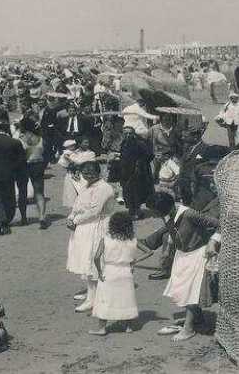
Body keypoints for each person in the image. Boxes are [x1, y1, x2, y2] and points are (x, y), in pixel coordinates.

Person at [142, 192, 219, 342]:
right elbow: (173, 232)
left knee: (191, 291)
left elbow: (219, 224)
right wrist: (167, 249)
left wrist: (213, 242)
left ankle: (188, 328)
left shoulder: (189, 214)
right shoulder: (169, 215)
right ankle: (198, 320)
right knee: (183, 290)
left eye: (156, 212)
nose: (155, 216)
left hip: (197, 255)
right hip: (182, 256)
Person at [66, 161, 118, 313]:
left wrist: (75, 221)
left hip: (98, 226)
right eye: (85, 171)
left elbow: (94, 211)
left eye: (91, 171)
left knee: (93, 261)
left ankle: (93, 299)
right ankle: (91, 292)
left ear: (98, 172)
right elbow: (77, 204)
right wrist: (71, 217)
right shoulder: (86, 185)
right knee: (85, 260)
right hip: (84, 227)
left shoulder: (104, 188)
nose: (88, 174)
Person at [90, 211, 140, 336]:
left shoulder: (106, 239)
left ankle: (102, 328)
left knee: (105, 299)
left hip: (110, 271)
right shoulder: (132, 240)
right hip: (126, 272)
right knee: (126, 298)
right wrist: (134, 262)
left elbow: (96, 257)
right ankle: (128, 326)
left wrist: (100, 272)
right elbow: (149, 252)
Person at [17, 118, 48, 228]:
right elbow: (44, 152)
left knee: (22, 192)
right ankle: (42, 217)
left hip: (24, 165)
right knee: (39, 192)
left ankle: (24, 218)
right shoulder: (40, 138)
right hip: (38, 165)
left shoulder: (21, 138)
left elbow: (19, 153)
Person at [118, 126, 154, 219]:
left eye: (130, 133)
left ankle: (137, 211)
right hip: (125, 172)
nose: (128, 135)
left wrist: (140, 163)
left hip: (138, 172)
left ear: (134, 134)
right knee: (127, 192)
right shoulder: (123, 144)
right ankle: (131, 210)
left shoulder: (139, 144)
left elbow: (149, 155)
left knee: (136, 192)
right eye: (126, 133)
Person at [150, 114, 180, 182]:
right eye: (165, 119)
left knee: (176, 166)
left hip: (172, 154)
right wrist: (155, 153)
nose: (167, 121)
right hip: (159, 154)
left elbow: (179, 144)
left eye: (170, 119)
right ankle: (155, 178)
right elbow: (151, 143)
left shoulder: (176, 129)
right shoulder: (154, 129)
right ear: (161, 120)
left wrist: (176, 154)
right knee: (156, 166)